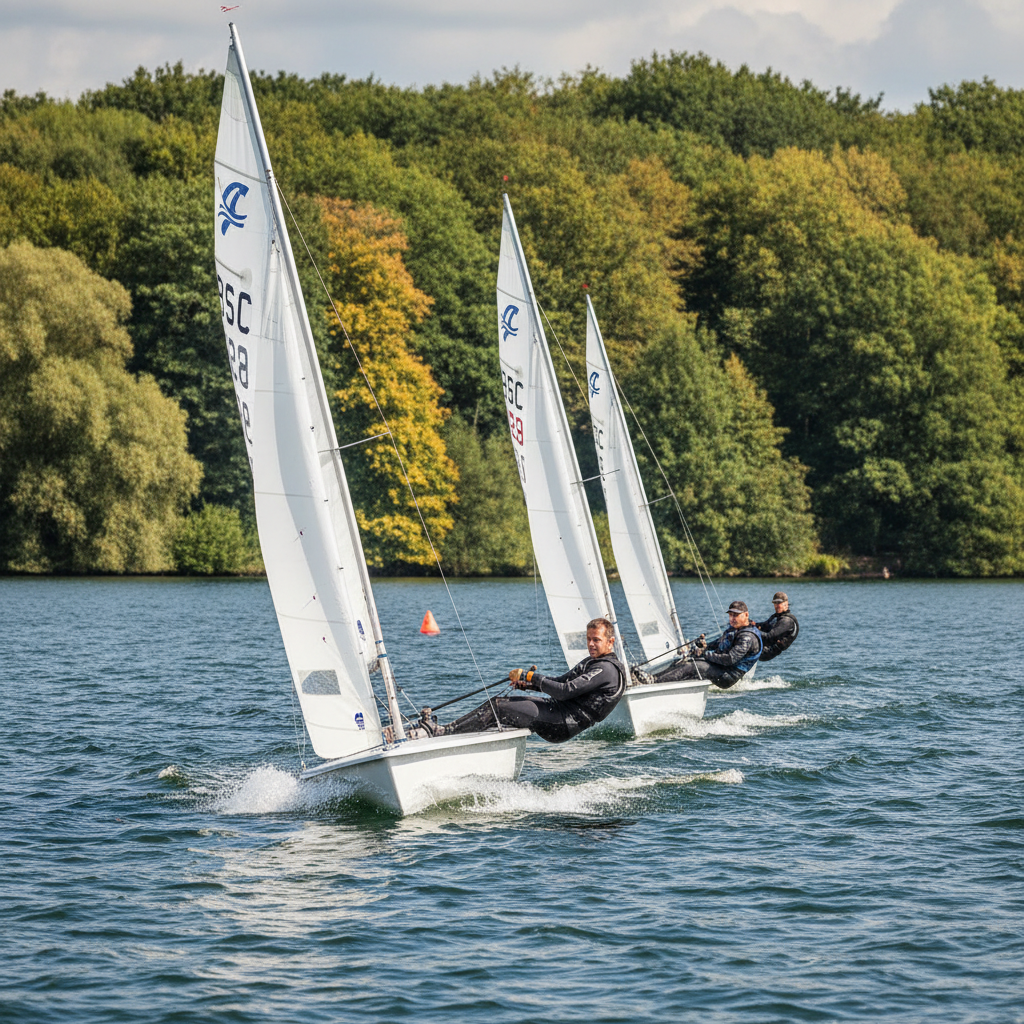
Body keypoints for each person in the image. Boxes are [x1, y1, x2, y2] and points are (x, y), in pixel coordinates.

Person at [413, 617, 626, 743]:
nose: (590, 644)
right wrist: (529, 684)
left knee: (498, 707)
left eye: (596, 640)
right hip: (558, 713)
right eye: (588, 639)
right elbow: (560, 681)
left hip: (563, 723)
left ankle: (443, 733)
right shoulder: (593, 662)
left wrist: (530, 675)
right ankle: (456, 734)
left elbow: (565, 690)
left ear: (610, 642)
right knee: (500, 704)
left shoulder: (606, 669)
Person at [655, 600, 762, 690]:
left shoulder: (747, 637)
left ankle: (655, 682)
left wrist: (705, 654)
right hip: (721, 668)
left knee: (694, 666)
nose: (732, 618)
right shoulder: (735, 629)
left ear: (746, 615)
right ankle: (653, 678)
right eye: (730, 615)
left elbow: (730, 659)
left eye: (736, 615)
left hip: (729, 676)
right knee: (685, 659)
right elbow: (717, 644)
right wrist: (703, 647)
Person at [754, 591, 799, 662]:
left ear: (786, 604)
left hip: (768, 651)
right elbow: (764, 626)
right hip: (763, 645)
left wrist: (751, 631)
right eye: (775, 603)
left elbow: (770, 636)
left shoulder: (786, 621)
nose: (776, 606)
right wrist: (751, 624)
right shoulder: (776, 617)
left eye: (779, 603)